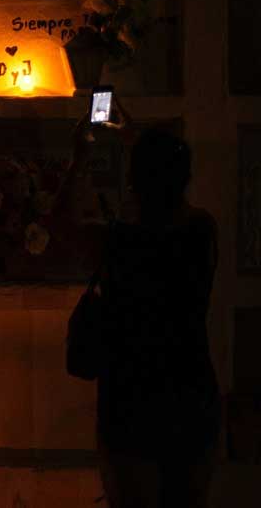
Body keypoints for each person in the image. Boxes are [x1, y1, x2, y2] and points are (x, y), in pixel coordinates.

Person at [65, 111, 220, 508]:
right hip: (191, 398)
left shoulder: (117, 243)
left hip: (129, 403)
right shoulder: (202, 232)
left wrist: (80, 157)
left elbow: (66, 227)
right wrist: (138, 140)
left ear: (134, 182)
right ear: (185, 178)